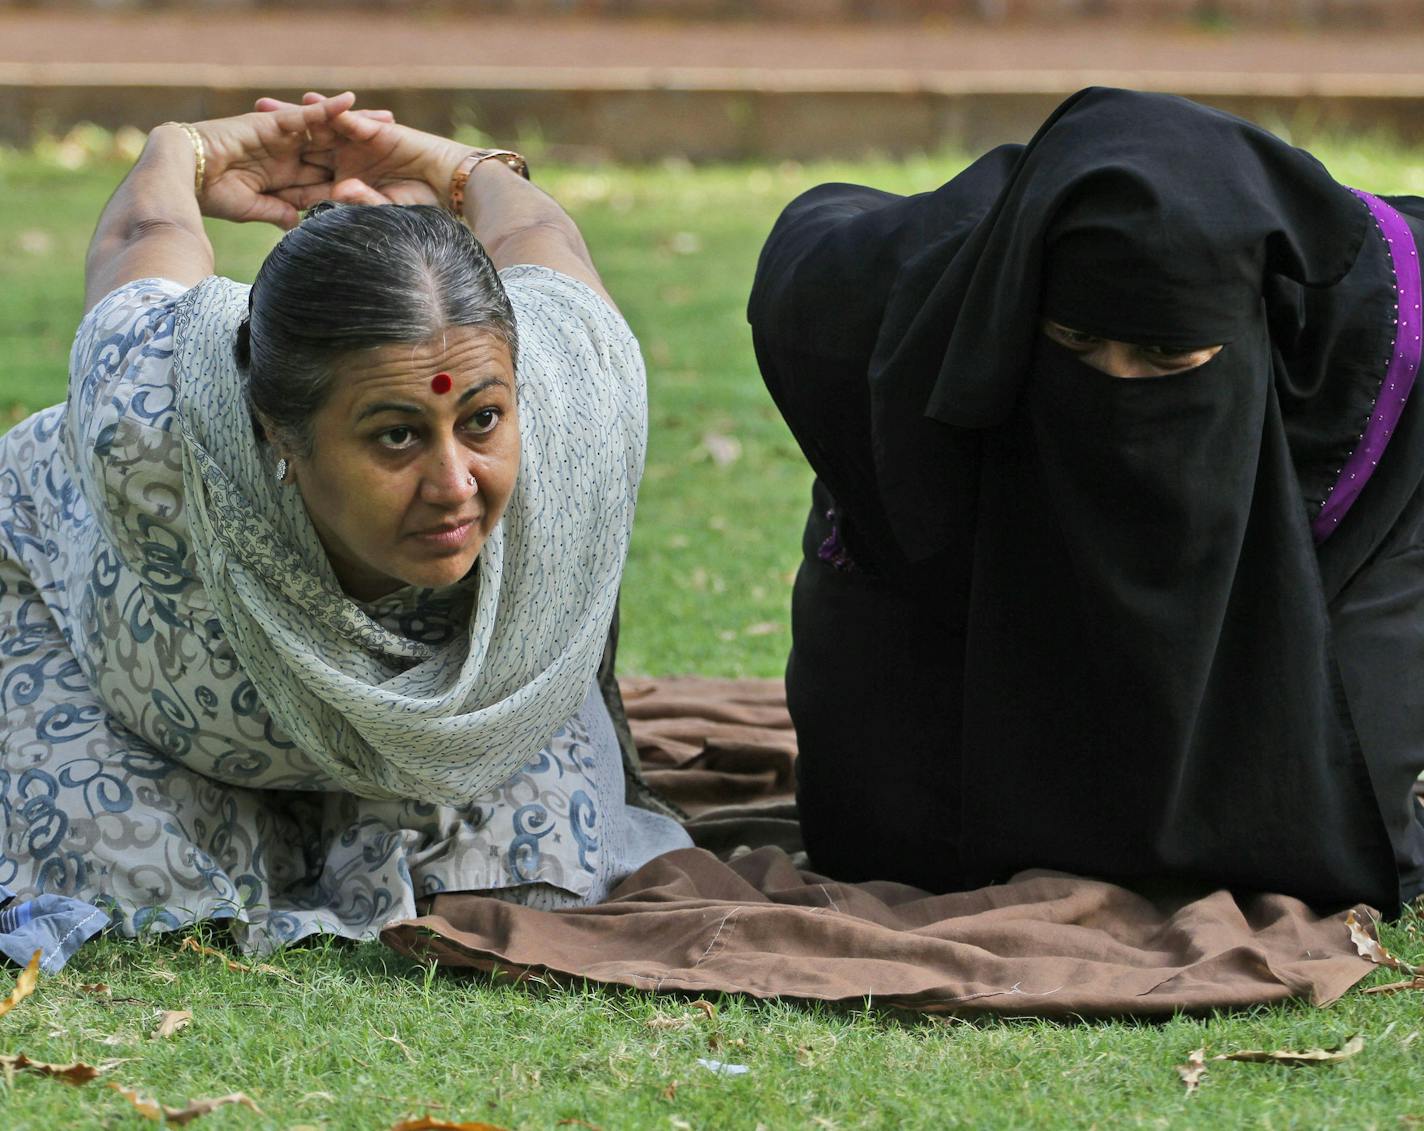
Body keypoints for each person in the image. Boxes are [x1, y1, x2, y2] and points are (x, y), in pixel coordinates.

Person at [0, 91, 689, 964]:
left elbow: (537, 242)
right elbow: (143, 243)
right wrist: (180, 151)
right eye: (396, 435)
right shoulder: (149, 423)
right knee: (141, 890)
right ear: (279, 437)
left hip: (435, 725)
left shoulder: (570, 402)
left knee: (522, 887)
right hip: (105, 653)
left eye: (479, 421)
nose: (454, 485)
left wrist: (465, 170)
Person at [748, 87, 1424, 915]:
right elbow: (804, 261)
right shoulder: (897, 294)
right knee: (890, 842)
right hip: (959, 584)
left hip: (1304, 560)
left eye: (1166, 358)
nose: (1119, 379)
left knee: (1325, 833)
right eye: (1078, 345)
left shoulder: (1366, 330)